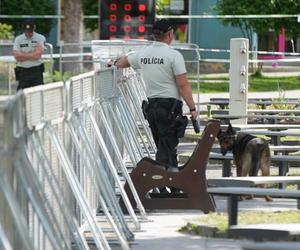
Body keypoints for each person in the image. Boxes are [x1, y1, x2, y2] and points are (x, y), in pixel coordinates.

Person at [112, 19, 197, 192]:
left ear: (154, 35)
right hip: (170, 108)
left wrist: (112, 62)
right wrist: (193, 108)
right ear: (170, 34)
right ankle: (158, 183)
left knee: (165, 146)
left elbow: (122, 62)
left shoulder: (143, 53)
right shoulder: (173, 55)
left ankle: (174, 186)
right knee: (167, 148)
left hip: (152, 107)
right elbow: (183, 84)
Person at [13, 19, 46, 90]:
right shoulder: (18, 39)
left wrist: (22, 55)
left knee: (38, 94)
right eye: (26, 31)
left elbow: (38, 56)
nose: (28, 34)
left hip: (36, 70)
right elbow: (17, 57)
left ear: (34, 28)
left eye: (30, 31)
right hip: (23, 71)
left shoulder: (40, 38)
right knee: (21, 96)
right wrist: (33, 54)